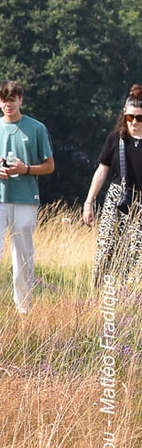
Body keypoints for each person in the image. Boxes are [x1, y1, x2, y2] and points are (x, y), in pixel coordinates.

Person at [0, 81, 53, 314]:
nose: (9, 104)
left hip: (25, 196)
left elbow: (49, 166)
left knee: (23, 250)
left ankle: (23, 303)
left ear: (20, 100)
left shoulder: (37, 129)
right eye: (4, 100)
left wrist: (25, 169)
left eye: (13, 99)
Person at [84, 86, 142, 293]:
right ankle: (99, 292)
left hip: (140, 201)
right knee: (106, 246)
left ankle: (125, 294)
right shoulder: (115, 139)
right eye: (130, 117)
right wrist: (89, 202)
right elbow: (102, 171)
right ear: (124, 115)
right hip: (117, 196)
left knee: (134, 251)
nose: (134, 122)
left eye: (139, 118)